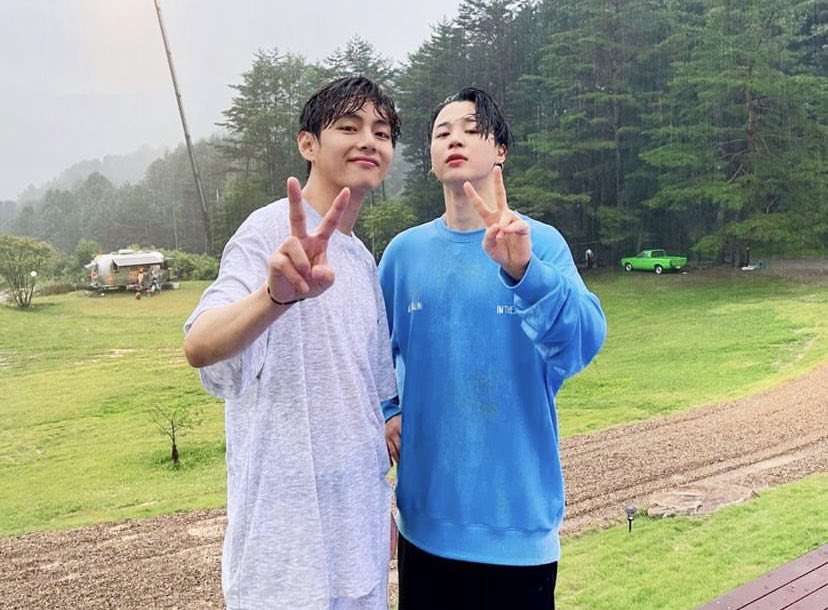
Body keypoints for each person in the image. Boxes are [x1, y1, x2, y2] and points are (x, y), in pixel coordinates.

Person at [378, 87, 607, 609]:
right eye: (442, 132)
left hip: (518, 528)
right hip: (425, 527)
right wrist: (388, 409)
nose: (454, 139)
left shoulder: (536, 242)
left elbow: (581, 342)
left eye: (471, 128)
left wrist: (524, 271)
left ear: (500, 149)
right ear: (430, 156)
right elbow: (368, 353)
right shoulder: (404, 254)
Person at [183, 76, 400, 610]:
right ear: (308, 144)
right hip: (283, 559)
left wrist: (381, 504)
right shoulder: (267, 233)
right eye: (348, 127)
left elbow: (373, 404)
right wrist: (274, 298)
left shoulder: (361, 261)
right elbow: (200, 343)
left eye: (381, 132)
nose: (368, 141)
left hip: (358, 548)